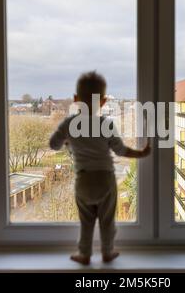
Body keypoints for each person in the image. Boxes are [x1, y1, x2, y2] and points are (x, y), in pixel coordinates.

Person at [49, 70, 150, 265]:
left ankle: (84, 254)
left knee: (86, 222)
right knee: (107, 221)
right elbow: (121, 151)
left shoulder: (69, 124)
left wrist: (68, 141)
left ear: (76, 99)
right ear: (103, 102)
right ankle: (107, 252)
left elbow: (54, 145)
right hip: (105, 179)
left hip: (83, 180)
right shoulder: (106, 124)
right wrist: (141, 153)